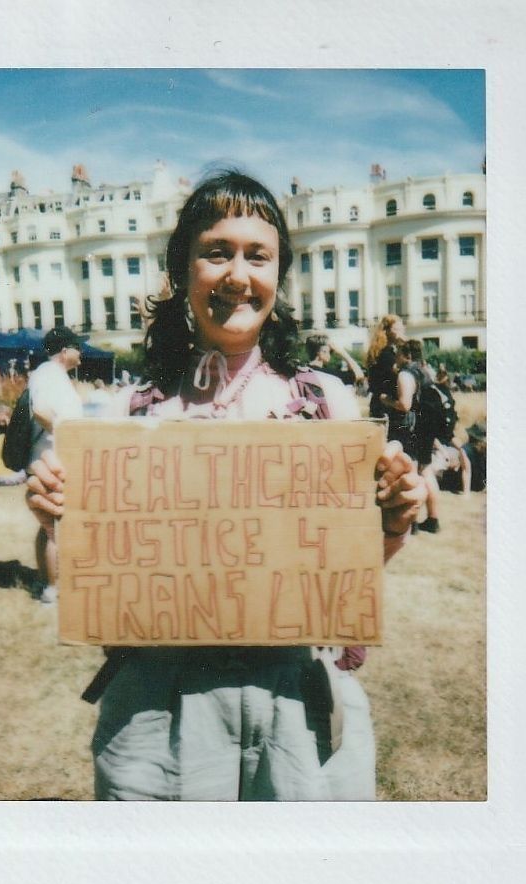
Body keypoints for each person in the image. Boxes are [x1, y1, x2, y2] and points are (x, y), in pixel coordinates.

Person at [27, 171, 425, 801]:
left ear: (278, 275)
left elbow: (354, 570)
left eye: (257, 256)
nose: (238, 275)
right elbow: (72, 578)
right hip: (160, 709)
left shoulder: (325, 402)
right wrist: (57, 522)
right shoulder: (132, 413)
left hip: (293, 698)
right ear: (182, 271)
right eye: (217, 252)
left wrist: (395, 518)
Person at [28, 326, 84, 603]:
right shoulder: (49, 374)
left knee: (47, 524)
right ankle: (52, 589)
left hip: (49, 460)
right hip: (50, 461)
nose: (81, 352)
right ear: (64, 351)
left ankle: (45, 580)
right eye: (77, 347)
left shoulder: (51, 374)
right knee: (54, 527)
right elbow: (40, 410)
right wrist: (66, 435)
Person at [366, 314, 406, 419]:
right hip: (386, 404)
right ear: (387, 331)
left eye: (402, 328)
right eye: (397, 329)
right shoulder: (386, 354)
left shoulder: (383, 351)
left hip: (380, 402)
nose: (401, 332)